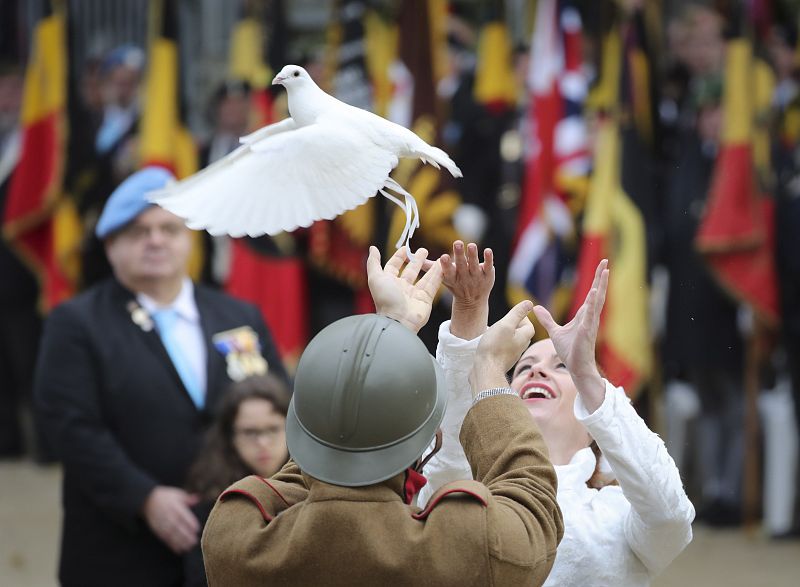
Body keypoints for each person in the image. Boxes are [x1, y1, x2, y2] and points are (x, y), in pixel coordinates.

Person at [201, 246, 564, 586]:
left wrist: (388, 333)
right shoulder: (464, 545)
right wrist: (489, 370)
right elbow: (531, 500)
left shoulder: (236, 540)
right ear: (429, 440)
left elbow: (318, 455)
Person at [34, 166, 287, 587]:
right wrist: (143, 497)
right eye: (138, 231)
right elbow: (69, 426)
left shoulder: (239, 316)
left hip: (234, 540)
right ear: (111, 245)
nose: (156, 240)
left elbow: (283, 405)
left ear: (189, 238)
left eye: (169, 228)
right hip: (123, 547)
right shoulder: (76, 323)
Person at [419, 241, 695, 586]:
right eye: (524, 367)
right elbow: (448, 464)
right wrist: (468, 314)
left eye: (561, 366)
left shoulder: (617, 509)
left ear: (595, 425)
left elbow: (671, 520)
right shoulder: (473, 495)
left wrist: (587, 374)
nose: (537, 371)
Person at [183, 374, 291, 586]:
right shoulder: (211, 504)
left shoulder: (313, 490)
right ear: (230, 437)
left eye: (273, 429)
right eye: (250, 432)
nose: (263, 442)